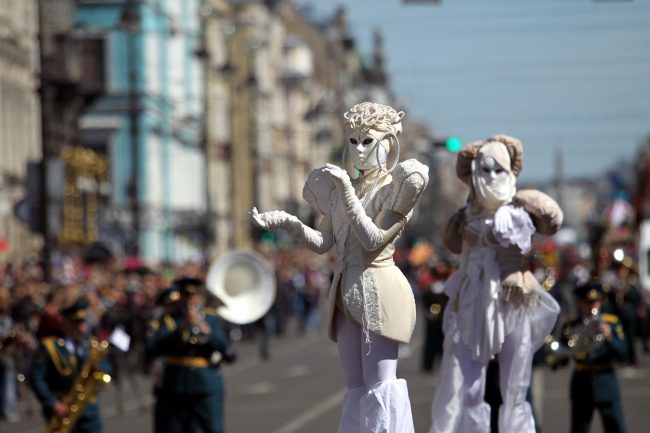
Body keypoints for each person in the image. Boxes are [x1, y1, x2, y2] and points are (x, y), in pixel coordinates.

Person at [251, 101, 429, 433]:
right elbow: (325, 242)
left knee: (380, 385)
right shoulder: (345, 190)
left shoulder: (397, 186)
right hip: (344, 291)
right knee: (356, 388)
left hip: (380, 289)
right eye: (353, 141)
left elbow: (373, 239)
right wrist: (286, 222)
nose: (359, 149)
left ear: (387, 143)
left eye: (368, 141)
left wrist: (347, 192)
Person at [428, 135, 563, 433]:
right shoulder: (464, 216)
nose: (490, 177)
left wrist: (528, 202)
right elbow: (449, 241)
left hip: (511, 297)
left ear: (510, 172)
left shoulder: (516, 213)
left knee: (515, 385)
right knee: (470, 387)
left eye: (498, 170)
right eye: (485, 170)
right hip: (474, 299)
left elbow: (552, 221)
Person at [145, 277, 237, 433]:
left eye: (194, 296)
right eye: (186, 296)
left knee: (212, 428)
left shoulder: (211, 319)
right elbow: (153, 348)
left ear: (201, 297)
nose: (191, 300)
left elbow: (228, 351)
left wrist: (206, 330)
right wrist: (182, 327)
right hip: (176, 386)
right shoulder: (170, 320)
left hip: (206, 385)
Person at [29, 298, 112, 433]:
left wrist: (100, 370)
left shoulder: (91, 345)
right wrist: (52, 402)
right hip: (62, 409)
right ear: (65, 323)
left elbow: (107, 367)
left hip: (88, 410)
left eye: (83, 322)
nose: (81, 327)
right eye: (76, 322)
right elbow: (36, 377)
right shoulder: (50, 347)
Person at [562, 282, 628, 433]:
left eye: (596, 301)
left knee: (616, 427)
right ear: (580, 302)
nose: (593, 306)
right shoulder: (571, 325)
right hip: (581, 383)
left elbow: (624, 354)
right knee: (579, 429)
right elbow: (561, 357)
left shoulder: (611, 322)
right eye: (588, 302)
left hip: (606, 382)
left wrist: (610, 337)